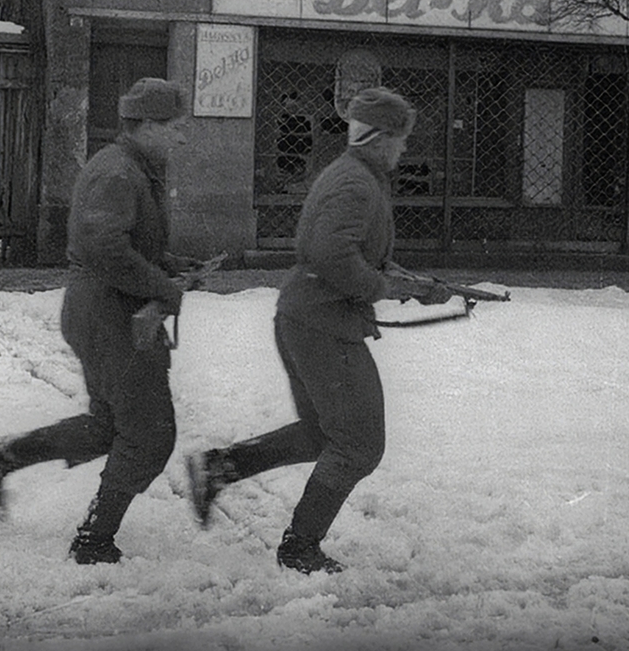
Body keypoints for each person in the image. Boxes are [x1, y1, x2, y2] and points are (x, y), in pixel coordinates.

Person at [184, 86, 447, 574]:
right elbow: (329, 254)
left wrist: (409, 283)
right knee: (360, 444)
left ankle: (221, 468)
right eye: (400, 139)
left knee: (321, 433)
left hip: (305, 318)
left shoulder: (352, 175)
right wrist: (379, 287)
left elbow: (344, 248)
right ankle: (300, 545)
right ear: (380, 137)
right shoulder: (357, 184)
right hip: (324, 327)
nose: (404, 149)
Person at [0, 77, 198, 564]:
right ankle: (94, 539)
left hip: (107, 308)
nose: (182, 136)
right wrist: (162, 286)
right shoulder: (119, 173)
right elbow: (105, 248)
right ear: (148, 126)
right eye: (175, 126)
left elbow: (121, 241)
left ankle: (1, 457)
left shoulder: (132, 167)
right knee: (151, 434)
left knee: (108, 426)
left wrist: (166, 264)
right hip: (112, 313)